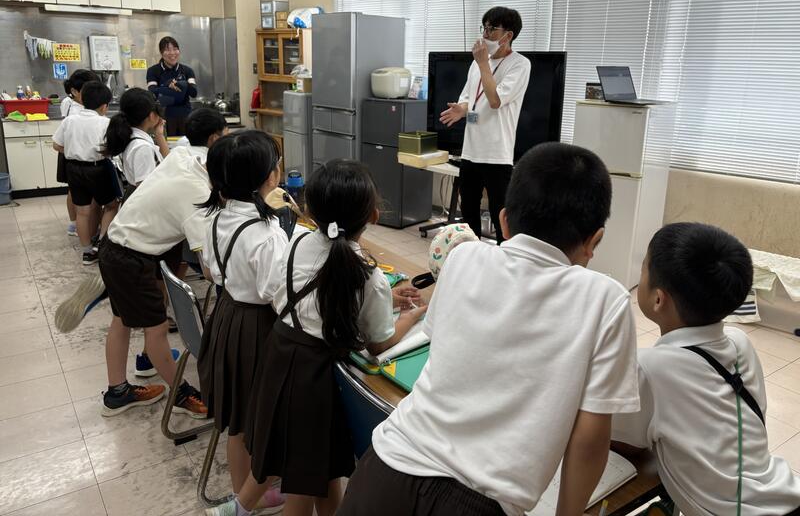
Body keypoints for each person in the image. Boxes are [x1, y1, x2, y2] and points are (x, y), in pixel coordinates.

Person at [338, 142, 640, 516]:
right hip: (476, 500)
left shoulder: (462, 258)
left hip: (385, 467)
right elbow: (590, 438)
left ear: (504, 221)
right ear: (595, 240)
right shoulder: (607, 300)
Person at [206, 159, 428, 516]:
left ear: (309, 210)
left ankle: (239, 508)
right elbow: (379, 342)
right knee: (312, 476)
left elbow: (286, 297)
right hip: (315, 381)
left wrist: (383, 301)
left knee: (315, 472)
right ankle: (240, 508)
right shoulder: (368, 277)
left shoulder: (295, 244)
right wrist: (409, 317)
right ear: (373, 215)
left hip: (278, 356)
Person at [611, 223, 800, 515]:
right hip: (784, 494)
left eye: (644, 269)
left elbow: (624, 441)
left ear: (658, 299)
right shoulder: (739, 342)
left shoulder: (649, 368)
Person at [97, 114, 220, 417]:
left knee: (121, 320)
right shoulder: (198, 194)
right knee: (157, 329)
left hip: (115, 243)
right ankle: (181, 395)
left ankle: (117, 391)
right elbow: (209, 269)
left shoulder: (184, 156)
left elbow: (171, 153)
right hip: (131, 257)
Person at [197, 130, 288, 514]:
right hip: (258, 328)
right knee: (265, 420)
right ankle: (249, 500)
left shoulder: (215, 219)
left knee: (238, 420)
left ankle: (243, 495)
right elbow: (279, 296)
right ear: (270, 177)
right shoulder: (267, 235)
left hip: (227, 316)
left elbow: (209, 268)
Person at [440, 6, 531, 244]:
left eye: (492, 29)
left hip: (497, 154)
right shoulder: (476, 64)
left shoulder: (520, 64)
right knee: (468, 212)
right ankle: (472, 256)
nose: (485, 34)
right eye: (484, 28)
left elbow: (495, 100)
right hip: (471, 150)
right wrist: (462, 109)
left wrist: (483, 64)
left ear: (508, 35)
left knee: (500, 214)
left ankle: (504, 260)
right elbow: (469, 97)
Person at [52, 81, 119, 266]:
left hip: (73, 168)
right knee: (111, 205)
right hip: (97, 168)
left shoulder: (70, 120)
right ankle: (102, 243)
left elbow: (56, 145)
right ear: (104, 106)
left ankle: (87, 252)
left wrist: (74, 150)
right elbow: (111, 149)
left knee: (82, 211)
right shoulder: (105, 122)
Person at [103, 87, 169, 194]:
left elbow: (167, 162)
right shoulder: (142, 148)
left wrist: (159, 135)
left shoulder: (130, 135)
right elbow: (145, 190)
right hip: (144, 197)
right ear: (152, 115)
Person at [60, 69, 101, 237]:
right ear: (75, 91)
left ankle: (79, 224)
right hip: (73, 151)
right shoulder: (72, 107)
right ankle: (75, 224)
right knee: (75, 191)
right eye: (88, 89)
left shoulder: (76, 103)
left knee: (77, 191)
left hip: (74, 150)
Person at [146, 36, 197, 136]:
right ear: (161, 53)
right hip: (163, 117)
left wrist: (182, 84)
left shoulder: (187, 70)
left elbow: (194, 93)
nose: (172, 53)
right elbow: (152, 93)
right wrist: (167, 85)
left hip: (185, 116)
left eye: (175, 49)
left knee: (185, 144)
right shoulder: (153, 71)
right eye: (168, 50)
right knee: (167, 144)